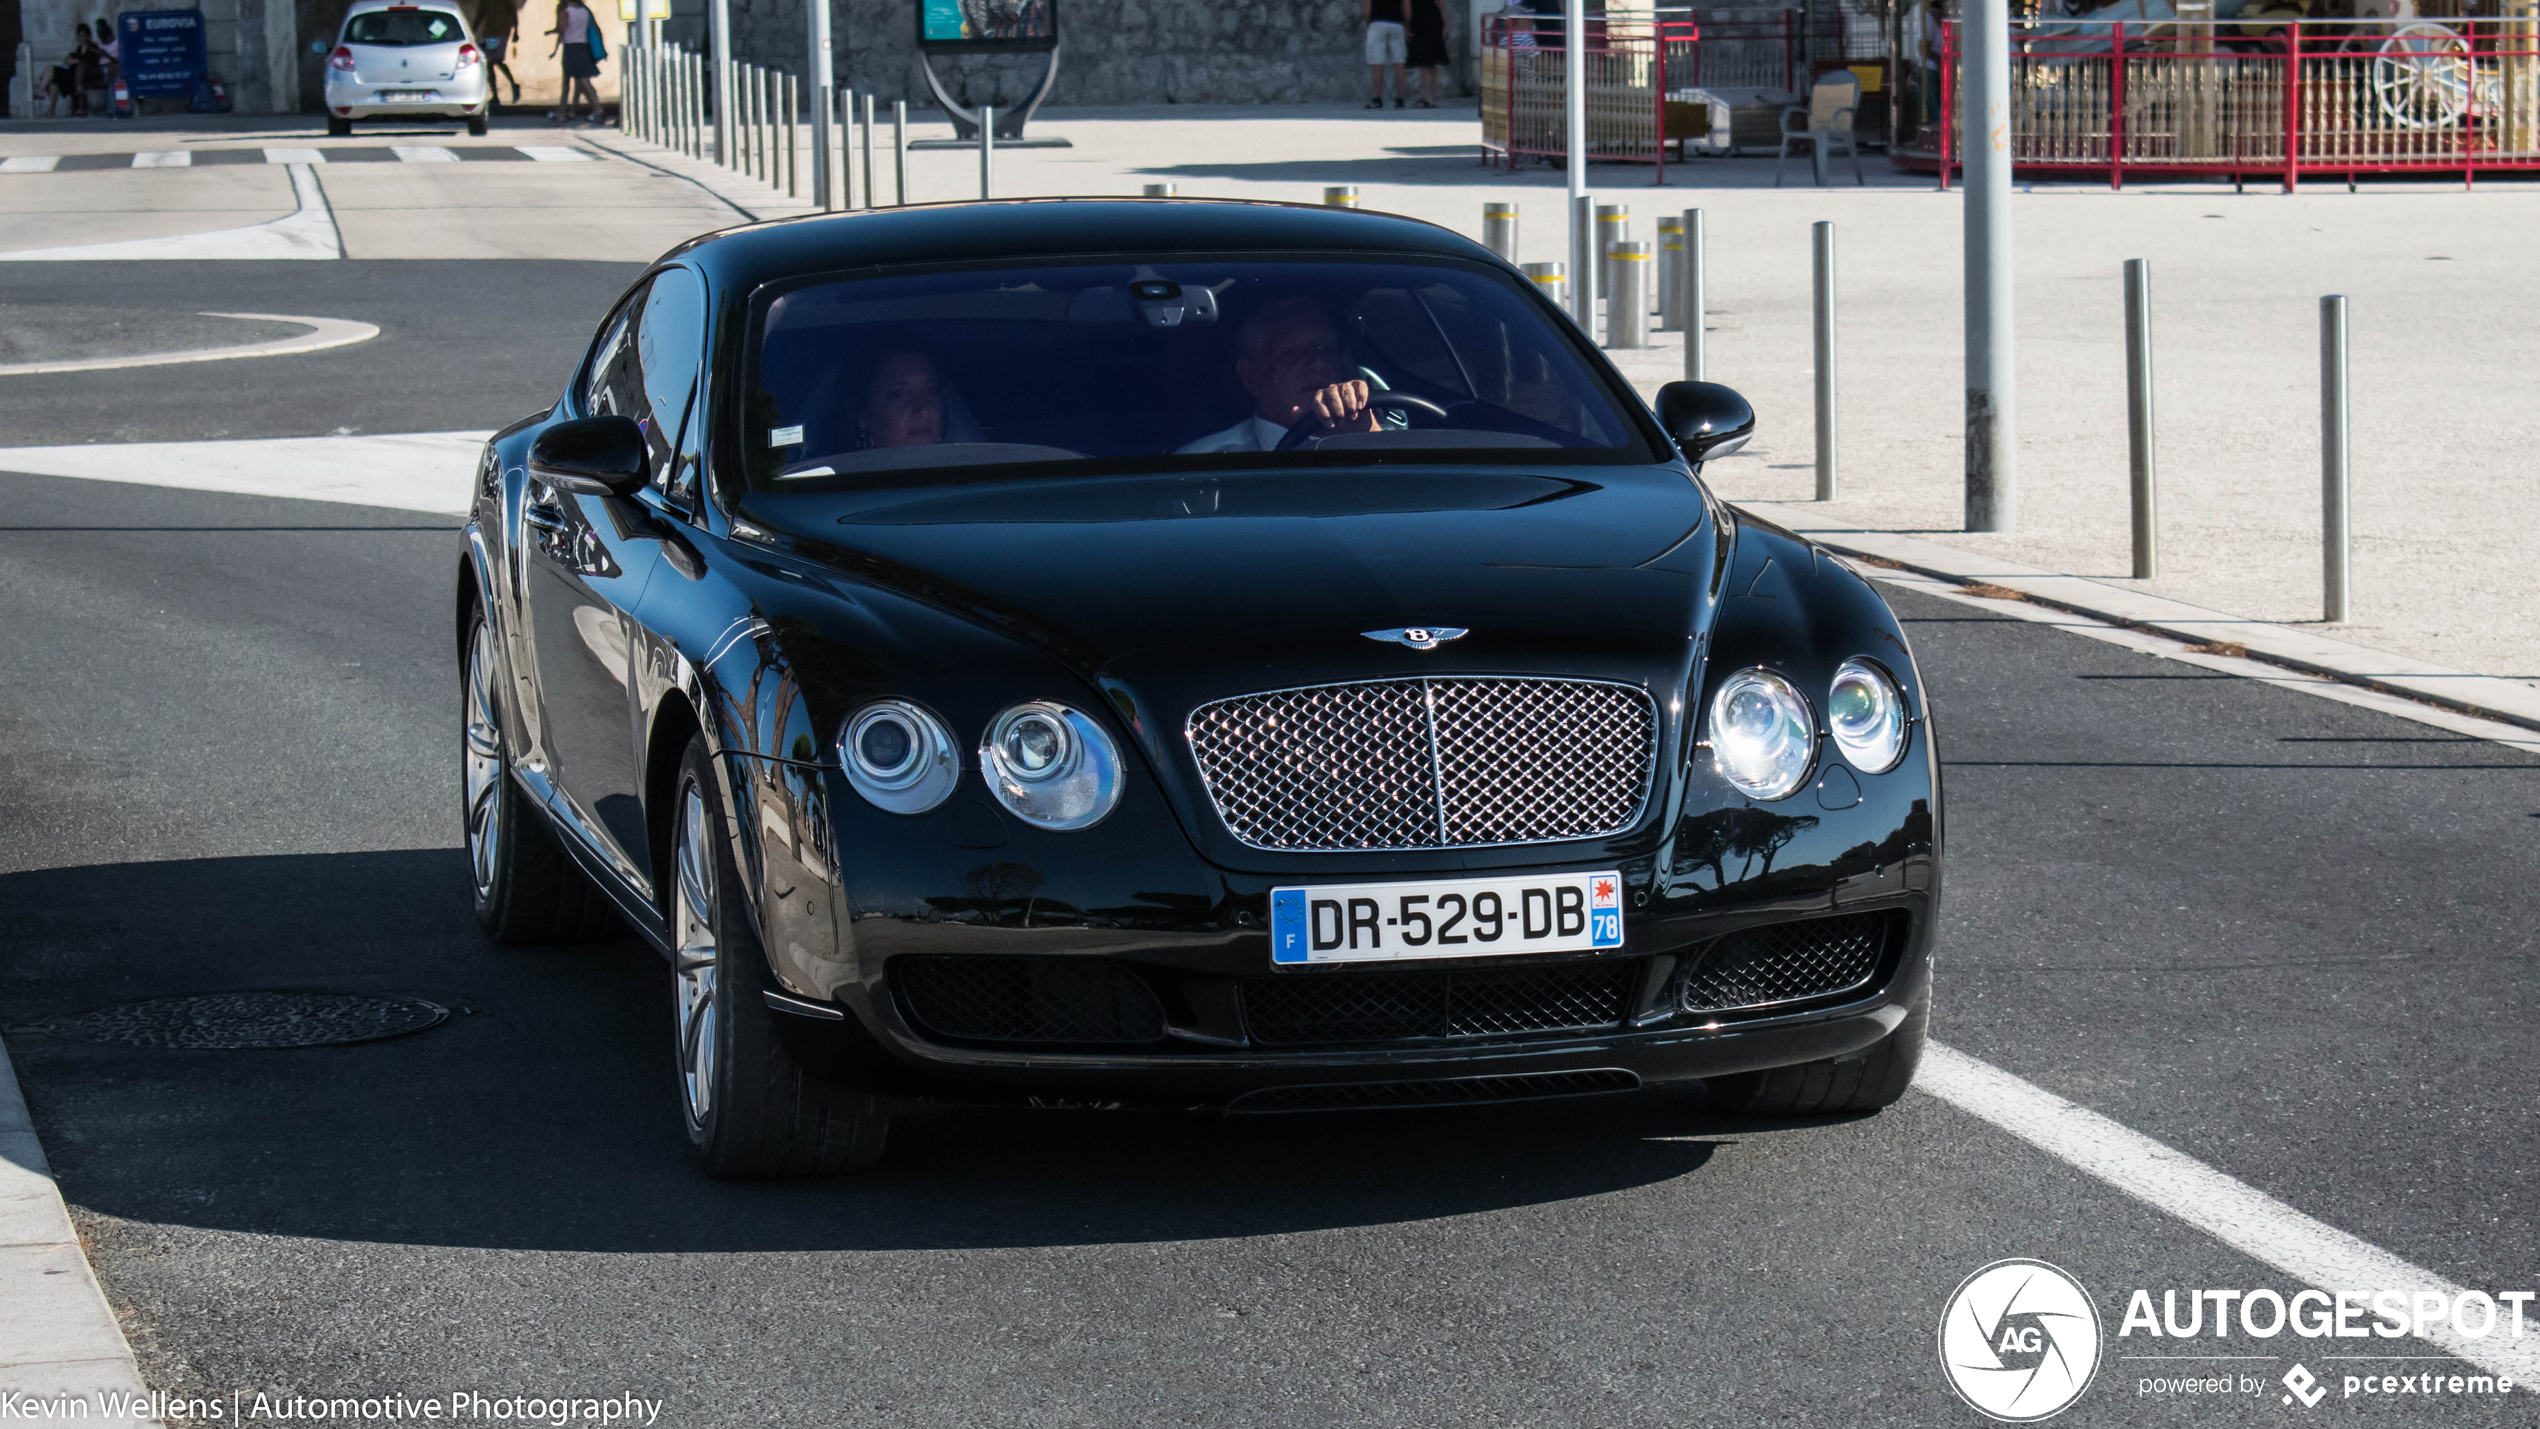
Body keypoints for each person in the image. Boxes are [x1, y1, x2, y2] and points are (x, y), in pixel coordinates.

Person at [1178, 297, 1381, 454]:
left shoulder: (1377, 435)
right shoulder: (1200, 466)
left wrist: (1367, 437)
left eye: (1325, 349)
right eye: (1293, 353)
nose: (1318, 363)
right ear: (1251, 377)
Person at [857, 347, 945, 449]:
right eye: (898, 395)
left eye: (931, 390)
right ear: (863, 415)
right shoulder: (840, 465)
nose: (923, 410)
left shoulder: (964, 462)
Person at [547, 0, 602, 124]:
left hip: (571, 47)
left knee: (574, 81)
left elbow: (562, 30)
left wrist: (551, 32)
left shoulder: (565, 11)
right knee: (582, 80)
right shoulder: (584, 10)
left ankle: (597, 109)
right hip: (583, 46)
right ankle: (564, 111)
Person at [1363, 0, 1408, 109]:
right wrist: (1407, 25)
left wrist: (1368, 23)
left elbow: (1366, 8)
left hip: (1377, 23)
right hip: (1397, 23)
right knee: (1399, 62)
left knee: (1377, 62)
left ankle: (1378, 98)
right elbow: (1407, 7)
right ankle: (1400, 98)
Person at [1405, 0, 1447, 109]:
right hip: (1434, 21)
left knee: (1423, 63)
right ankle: (1431, 97)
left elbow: (1408, 9)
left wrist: (1408, 27)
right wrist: (1445, 26)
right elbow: (1442, 6)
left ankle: (1426, 97)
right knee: (1432, 63)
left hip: (1420, 23)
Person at [482, 8, 522, 106]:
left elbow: (512, 11)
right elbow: (482, 12)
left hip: (501, 32)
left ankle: (508, 88)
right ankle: (497, 94)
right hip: (489, 33)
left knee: (494, 61)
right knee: (492, 63)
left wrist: (516, 31)